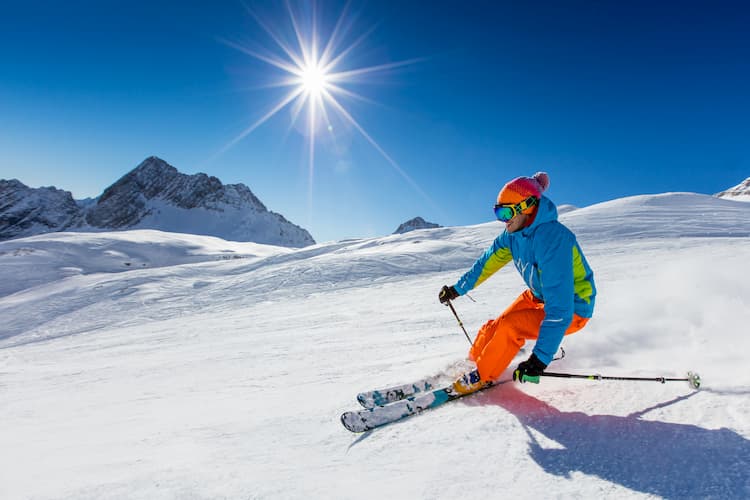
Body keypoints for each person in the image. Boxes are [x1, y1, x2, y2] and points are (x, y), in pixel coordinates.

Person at [439, 172, 596, 393]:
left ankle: (481, 376)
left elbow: (560, 308)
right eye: (498, 212)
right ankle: (474, 362)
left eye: (506, 212)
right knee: (496, 324)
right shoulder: (512, 235)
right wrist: (457, 289)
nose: (503, 220)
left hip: (574, 307)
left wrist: (539, 359)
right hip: (538, 296)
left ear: (527, 206)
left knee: (510, 327)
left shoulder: (553, 239)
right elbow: (486, 264)